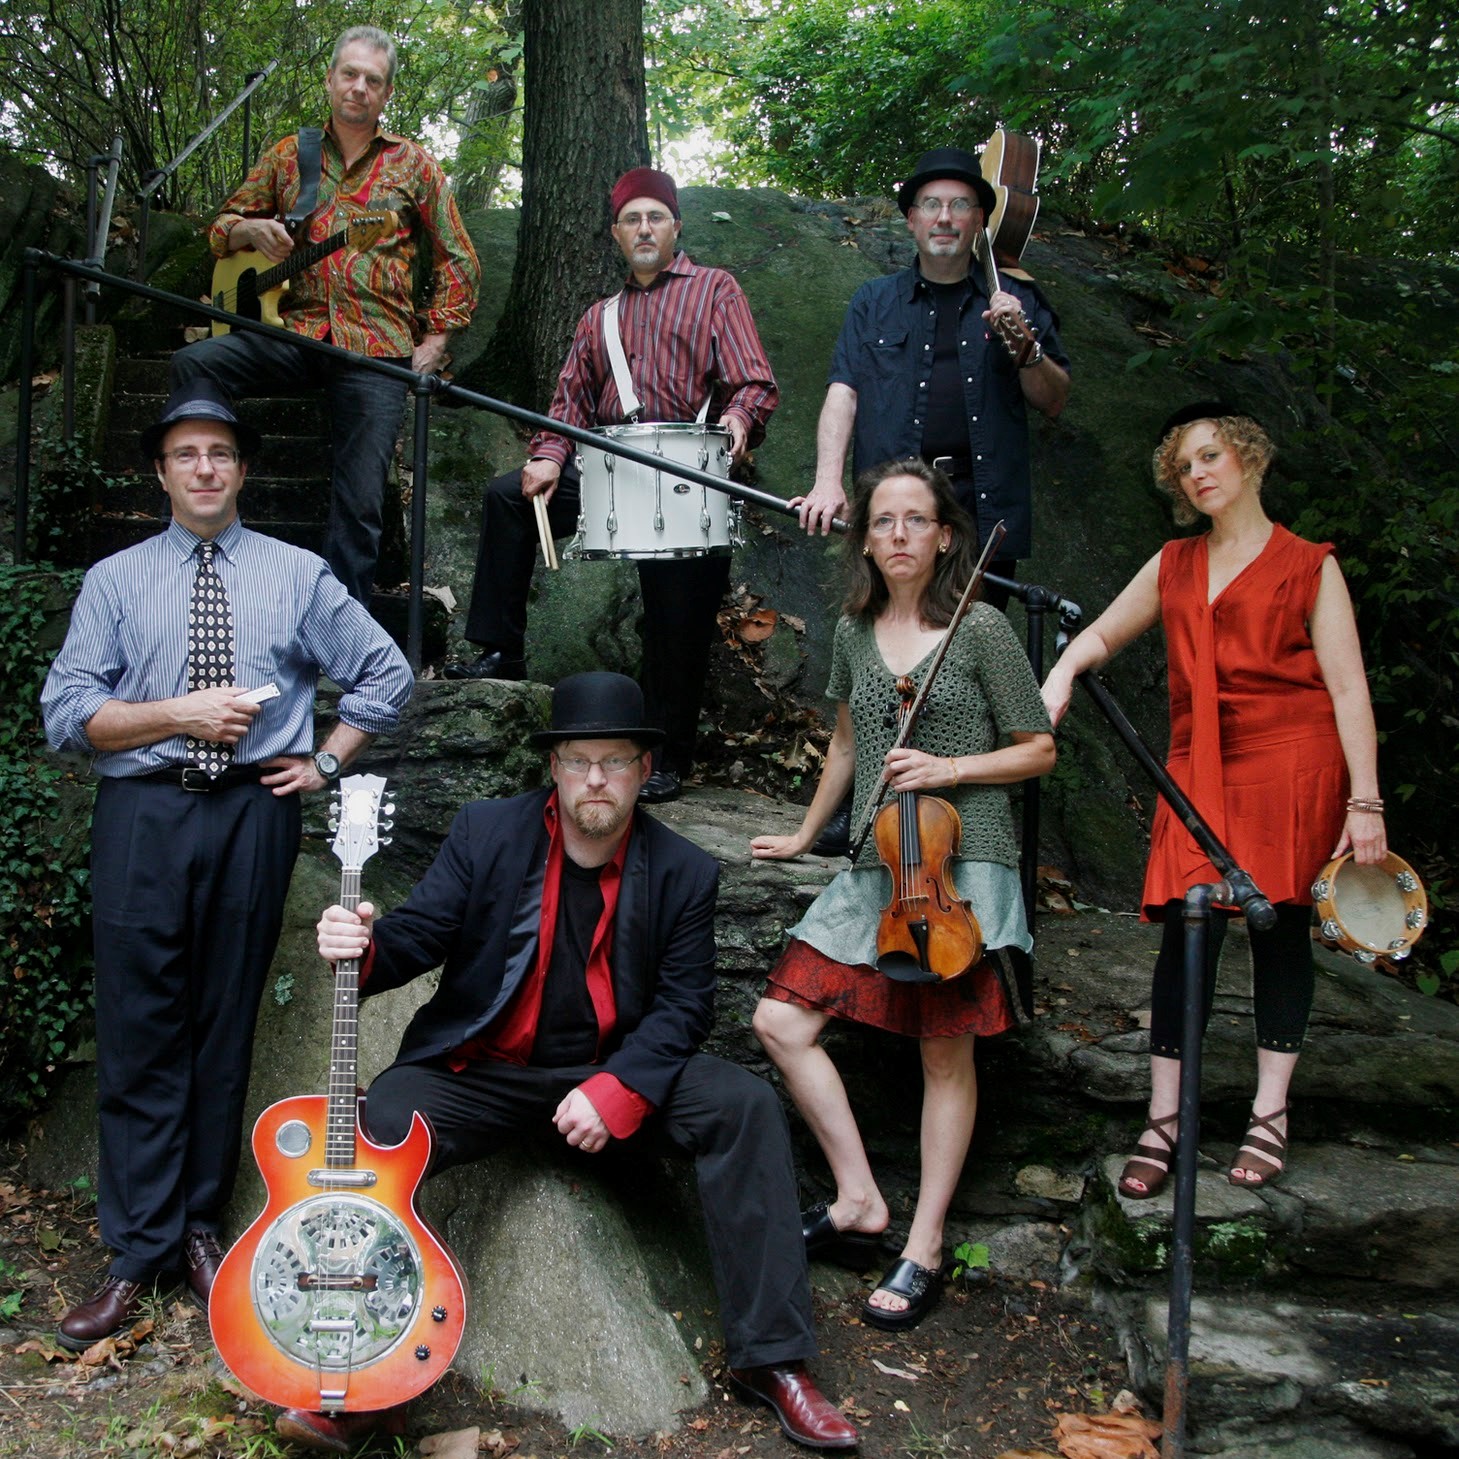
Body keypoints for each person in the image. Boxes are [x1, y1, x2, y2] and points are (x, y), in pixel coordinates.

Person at [296, 672, 857, 1454]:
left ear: (643, 771)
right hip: (484, 1074)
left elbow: (684, 1007)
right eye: (579, 759)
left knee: (743, 1104)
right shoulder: (487, 833)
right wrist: (360, 946)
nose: (596, 777)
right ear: (553, 767)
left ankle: (772, 1360)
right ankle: (370, 1376)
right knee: (380, 1123)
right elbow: (417, 936)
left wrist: (620, 1088)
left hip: (608, 1073)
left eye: (615, 759)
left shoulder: (685, 871)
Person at [40, 380, 414, 1352]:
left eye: (219, 453)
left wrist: (325, 759)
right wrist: (180, 713)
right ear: (161, 474)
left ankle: (200, 1227)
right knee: (138, 1026)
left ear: (242, 469)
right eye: (185, 454)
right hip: (143, 815)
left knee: (221, 1019)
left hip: (255, 811)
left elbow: (386, 672)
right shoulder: (115, 582)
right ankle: (135, 1252)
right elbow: (66, 713)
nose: (203, 469)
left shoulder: (297, 575)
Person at [1040, 403, 1387, 1197]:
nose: (1195, 473)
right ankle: (1163, 1120)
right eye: (1182, 466)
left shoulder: (1309, 564)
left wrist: (1363, 802)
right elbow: (1100, 635)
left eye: (1208, 456)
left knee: (1279, 928)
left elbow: (1347, 688)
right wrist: (1060, 675)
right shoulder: (1173, 562)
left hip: (1291, 760)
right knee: (1184, 928)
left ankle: (1269, 1114)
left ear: (1249, 457)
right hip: (1196, 766)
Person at [749, 459, 1055, 1330]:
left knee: (943, 1054)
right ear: (865, 539)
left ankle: (922, 1245)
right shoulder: (854, 632)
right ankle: (858, 1197)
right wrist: (806, 833)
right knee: (779, 1021)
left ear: (945, 536)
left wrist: (949, 767)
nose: (897, 534)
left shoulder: (981, 628)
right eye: (882, 520)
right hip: (876, 859)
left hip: (962, 864)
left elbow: (1038, 748)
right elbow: (847, 744)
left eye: (914, 519)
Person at [444, 167, 778, 806]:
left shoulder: (715, 289)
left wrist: (739, 419)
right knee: (509, 496)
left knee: (677, 613)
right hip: (610, 472)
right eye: (632, 220)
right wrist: (548, 456)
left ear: (675, 227)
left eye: (656, 217)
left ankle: (666, 755)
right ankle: (500, 652)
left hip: (687, 472)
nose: (644, 228)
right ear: (617, 234)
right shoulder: (599, 316)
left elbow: (754, 381)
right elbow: (568, 402)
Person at [791, 144, 1069, 856]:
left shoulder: (1015, 300)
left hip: (981, 512)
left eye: (959, 205)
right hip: (895, 512)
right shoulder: (874, 302)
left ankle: (965, 823)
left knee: (968, 665)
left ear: (979, 221)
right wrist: (827, 480)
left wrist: (1026, 347)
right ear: (911, 220)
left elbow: (1054, 398)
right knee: (878, 653)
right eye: (931, 205)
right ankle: (863, 807)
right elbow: (843, 391)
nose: (944, 217)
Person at [171, 24, 480, 605]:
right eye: (350, 74)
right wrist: (248, 230)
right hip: (293, 331)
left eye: (373, 80)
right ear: (330, 79)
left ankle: (343, 636)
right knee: (195, 364)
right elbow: (220, 228)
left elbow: (459, 257)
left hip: (375, 347)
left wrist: (438, 338)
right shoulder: (291, 154)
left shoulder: (415, 165)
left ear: (387, 93)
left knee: (360, 503)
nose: (359, 87)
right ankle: (206, 513)